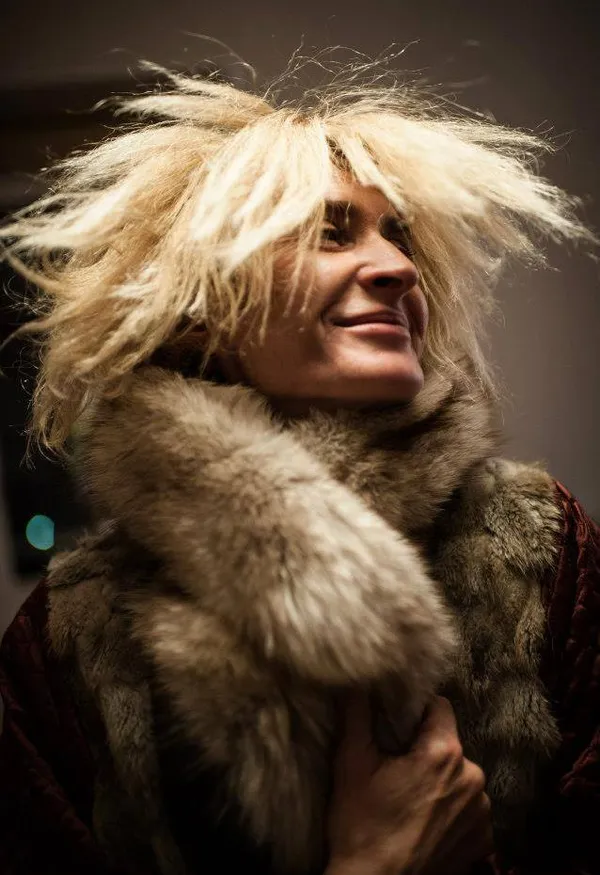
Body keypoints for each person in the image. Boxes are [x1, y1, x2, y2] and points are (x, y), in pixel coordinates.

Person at [0, 61, 598, 875]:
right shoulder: (69, 636)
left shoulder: (542, 550)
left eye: (399, 235)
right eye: (330, 232)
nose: (397, 267)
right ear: (205, 315)